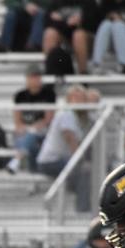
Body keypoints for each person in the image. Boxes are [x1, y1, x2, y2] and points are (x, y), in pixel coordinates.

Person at [36, 84, 90, 212]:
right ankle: (82, 209)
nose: (78, 101)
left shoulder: (78, 118)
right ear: (69, 99)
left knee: (87, 169)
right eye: (75, 98)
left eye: (81, 98)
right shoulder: (67, 114)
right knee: (85, 171)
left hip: (61, 159)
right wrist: (81, 162)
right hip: (50, 161)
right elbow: (70, 139)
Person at [8, 64, 56, 174]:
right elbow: (17, 121)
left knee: (30, 135)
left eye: (37, 76)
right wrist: (26, 128)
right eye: (32, 77)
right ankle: (25, 164)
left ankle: (17, 159)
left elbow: (48, 119)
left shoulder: (49, 94)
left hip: (43, 131)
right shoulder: (20, 96)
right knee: (27, 137)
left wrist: (34, 128)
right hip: (26, 131)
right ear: (27, 78)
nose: (35, 80)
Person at [42, 0, 100, 75]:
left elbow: (96, 23)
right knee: (49, 33)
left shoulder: (89, 2)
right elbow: (47, 21)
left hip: (86, 38)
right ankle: (49, 72)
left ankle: (83, 74)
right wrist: (65, 22)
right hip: (64, 36)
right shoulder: (56, 2)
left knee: (78, 35)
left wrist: (81, 20)